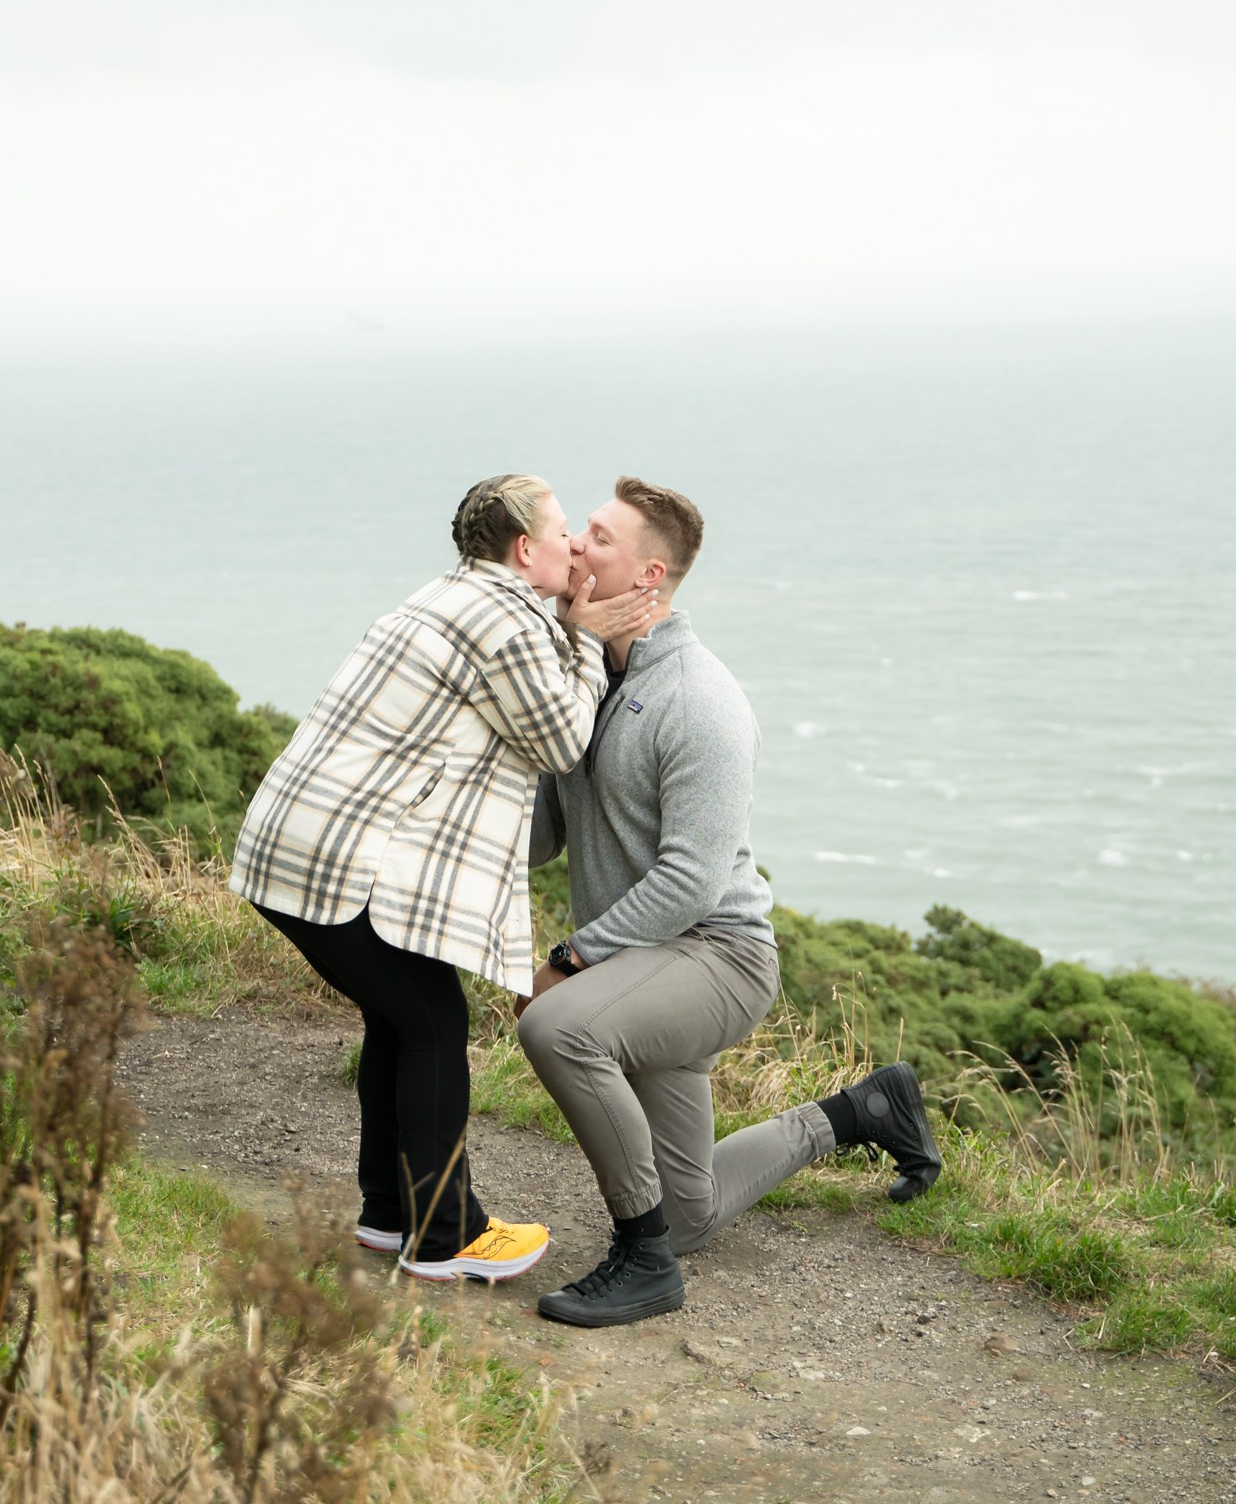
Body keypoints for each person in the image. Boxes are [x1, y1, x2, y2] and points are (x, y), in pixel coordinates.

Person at [517, 476, 942, 1329]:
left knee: (556, 1027)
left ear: (649, 577)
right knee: (690, 1216)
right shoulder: (588, 679)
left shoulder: (700, 701)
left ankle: (640, 1265)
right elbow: (543, 836)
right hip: (643, 963)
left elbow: (690, 882)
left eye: (596, 538)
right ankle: (863, 1110)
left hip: (717, 957)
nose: (572, 548)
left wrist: (569, 959)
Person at [230, 473, 658, 1283]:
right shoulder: (507, 621)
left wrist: (564, 628)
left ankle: (391, 1216)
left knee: (402, 1018)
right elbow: (564, 740)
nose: (575, 546)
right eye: (565, 532)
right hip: (335, 859)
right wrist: (585, 638)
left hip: (297, 846)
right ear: (525, 549)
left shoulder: (451, 596)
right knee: (430, 1023)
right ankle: (445, 1237)